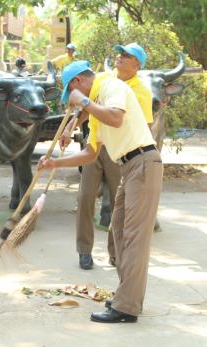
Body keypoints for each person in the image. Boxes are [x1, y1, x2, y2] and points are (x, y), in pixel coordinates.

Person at [38, 60, 163, 323]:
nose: (73, 103)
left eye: (71, 95)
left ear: (78, 82)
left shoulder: (110, 85)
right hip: (129, 167)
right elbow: (91, 153)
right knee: (118, 232)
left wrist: (83, 103)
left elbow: (116, 118)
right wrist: (54, 163)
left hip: (143, 162)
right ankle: (126, 296)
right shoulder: (95, 108)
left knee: (134, 239)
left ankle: (126, 307)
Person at [60, 43, 153, 270]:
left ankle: (115, 253)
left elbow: (145, 126)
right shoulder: (105, 78)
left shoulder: (141, 92)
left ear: (137, 64)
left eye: (126, 55)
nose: (119, 57)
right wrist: (70, 125)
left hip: (120, 152)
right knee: (85, 197)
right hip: (95, 145)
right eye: (119, 53)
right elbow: (87, 107)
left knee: (116, 205)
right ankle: (84, 251)